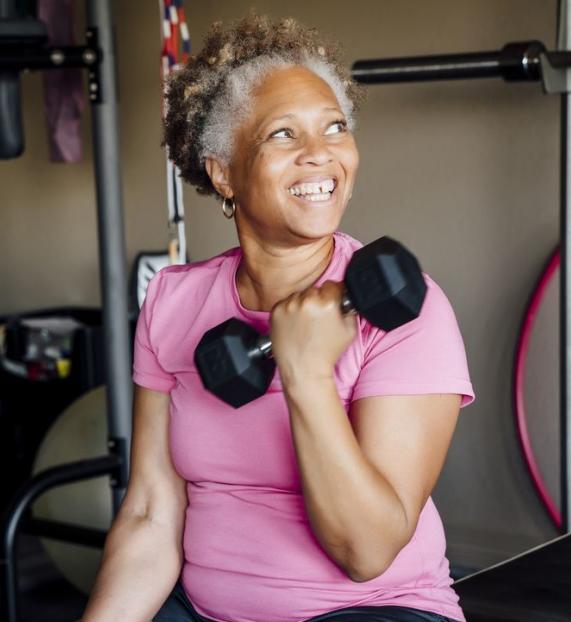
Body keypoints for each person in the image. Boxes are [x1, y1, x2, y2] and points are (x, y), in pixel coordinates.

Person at [81, 14, 475, 622]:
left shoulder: (405, 306)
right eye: (282, 135)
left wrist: (307, 374)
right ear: (223, 172)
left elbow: (367, 551)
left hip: (372, 608)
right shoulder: (173, 302)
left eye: (335, 127)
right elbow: (151, 513)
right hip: (203, 608)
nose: (320, 155)